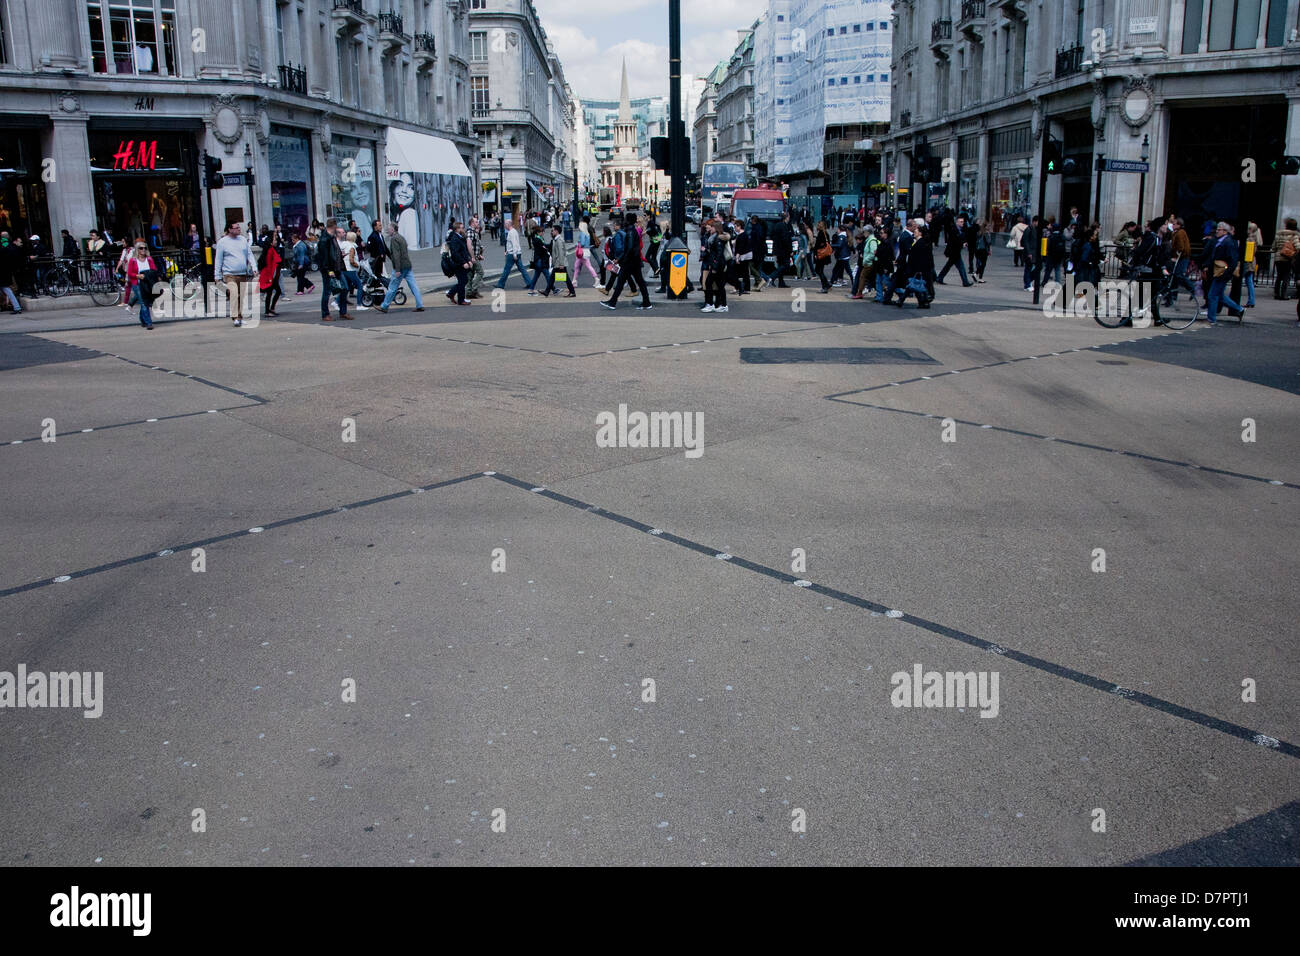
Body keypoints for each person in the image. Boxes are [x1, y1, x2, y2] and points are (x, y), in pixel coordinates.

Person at [601, 212, 651, 310]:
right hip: (633, 261)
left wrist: (620, 259)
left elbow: (629, 248)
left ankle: (613, 302)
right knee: (636, 282)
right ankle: (646, 302)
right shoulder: (631, 231)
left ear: (628, 221)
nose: (624, 221)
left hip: (630, 262)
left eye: (625, 219)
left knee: (628, 282)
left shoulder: (631, 232)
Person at [215, 222, 258, 327]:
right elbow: (218, 259)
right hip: (229, 273)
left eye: (239, 227)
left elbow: (249, 254)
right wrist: (217, 276)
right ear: (230, 229)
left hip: (242, 272)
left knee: (241, 296)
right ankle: (235, 317)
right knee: (233, 293)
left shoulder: (243, 240)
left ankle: (240, 316)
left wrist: (254, 267)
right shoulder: (222, 242)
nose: (239, 229)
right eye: (236, 227)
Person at [379, 220, 426, 312]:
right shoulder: (401, 238)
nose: (388, 230)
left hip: (400, 267)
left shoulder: (394, 239)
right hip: (407, 265)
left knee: (392, 286)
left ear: (393, 229)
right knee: (413, 286)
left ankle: (385, 305)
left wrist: (397, 269)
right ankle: (420, 304)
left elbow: (396, 255)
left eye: (389, 229)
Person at [1204, 220, 1243, 325]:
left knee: (1212, 295)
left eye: (1219, 229)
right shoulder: (1220, 241)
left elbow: (1233, 260)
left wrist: (1226, 273)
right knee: (1220, 295)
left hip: (1223, 272)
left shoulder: (1228, 242)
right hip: (1218, 271)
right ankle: (1239, 309)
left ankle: (1211, 318)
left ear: (1225, 231)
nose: (1217, 231)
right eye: (1217, 229)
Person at [315, 218, 350, 321]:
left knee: (345, 288)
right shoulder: (325, 239)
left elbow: (333, 252)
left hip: (337, 267)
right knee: (327, 291)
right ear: (334, 226)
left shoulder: (331, 237)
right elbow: (324, 257)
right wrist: (328, 270)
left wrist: (340, 255)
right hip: (329, 269)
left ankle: (343, 312)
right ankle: (325, 314)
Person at [126, 240, 158, 329]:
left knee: (146, 303)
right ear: (137, 250)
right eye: (141, 248)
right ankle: (149, 323)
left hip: (147, 284)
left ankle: (143, 319)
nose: (143, 250)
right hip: (138, 284)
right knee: (144, 303)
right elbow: (129, 273)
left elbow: (154, 270)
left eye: (145, 248)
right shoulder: (133, 260)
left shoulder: (149, 259)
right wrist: (137, 275)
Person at [936, 213, 973, 286]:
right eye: (961, 222)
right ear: (957, 222)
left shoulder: (960, 229)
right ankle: (965, 282)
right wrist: (962, 244)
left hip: (955, 252)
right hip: (953, 252)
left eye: (963, 221)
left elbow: (961, 238)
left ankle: (940, 278)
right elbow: (954, 241)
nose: (963, 223)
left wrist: (964, 242)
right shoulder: (953, 229)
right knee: (961, 267)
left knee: (948, 266)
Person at [442, 219, 472, 306]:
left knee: (463, 281)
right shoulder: (455, 239)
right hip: (458, 264)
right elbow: (455, 253)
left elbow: (464, 252)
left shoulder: (460, 237)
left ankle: (452, 293)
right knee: (463, 281)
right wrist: (463, 263)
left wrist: (468, 261)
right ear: (457, 229)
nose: (464, 229)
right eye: (462, 228)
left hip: (461, 263)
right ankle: (460, 299)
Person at [497, 219, 531, 290]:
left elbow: (514, 244)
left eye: (505, 224)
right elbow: (513, 244)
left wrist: (514, 254)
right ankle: (529, 283)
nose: (504, 225)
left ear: (508, 224)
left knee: (506, 269)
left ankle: (500, 284)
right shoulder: (514, 231)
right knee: (522, 269)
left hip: (512, 254)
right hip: (516, 253)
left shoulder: (511, 233)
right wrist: (507, 251)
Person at [340, 231, 369, 311]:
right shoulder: (351, 247)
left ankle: (337, 301)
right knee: (359, 285)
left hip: (343, 268)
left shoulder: (343, 246)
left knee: (346, 287)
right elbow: (351, 260)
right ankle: (359, 304)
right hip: (350, 269)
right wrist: (358, 265)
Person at [546, 223, 575, 297]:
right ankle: (547, 291)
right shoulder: (556, 240)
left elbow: (561, 253)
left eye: (552, 230)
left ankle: (572, 292)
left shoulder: (559, 240)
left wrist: (561, 264)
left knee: (565, 278)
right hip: (558, 263)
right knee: (553, 277)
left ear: (556, 231)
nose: (551, 232)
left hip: (559, 263)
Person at [1272, 217, 1298, 300]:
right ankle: (1283, 294)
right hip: (1288, 258)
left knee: (1279, 276)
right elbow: (1298, 247)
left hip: (1278, 257)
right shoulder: (1294, 235)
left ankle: (1276, 294)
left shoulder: (1279, 234)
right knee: (1286, 276)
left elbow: (1274, 247)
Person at [258, 239, 283, 316]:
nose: (276, 241)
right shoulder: (270, 250)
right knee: (271, 292)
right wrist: (270, 278)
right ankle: (268, 310)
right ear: (271, 242)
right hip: (269, 275)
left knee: (274, 292)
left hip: (271, 275)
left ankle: (270, 309)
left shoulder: (271, 249)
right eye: (275, 240)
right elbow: (269, 264)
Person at [0, 232, 23, 314]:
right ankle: (16, 307)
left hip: (2, 272)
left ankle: (16, 307)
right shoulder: (11, 246)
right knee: (8, 289)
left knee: (7, 290)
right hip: (8, 271)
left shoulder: (2, 246)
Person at [527, 224, 551, 296]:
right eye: (542, 231)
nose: (543, 233)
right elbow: (542, 248)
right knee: (547, 275)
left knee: (537, 276)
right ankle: (553, 288)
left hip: (539, 260)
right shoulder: (537, 240)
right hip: (539, 260)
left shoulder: (539, 239)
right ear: (538, 232)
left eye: (543, 231)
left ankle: (531, 290)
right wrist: (549, 246)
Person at [466, 215, 485, 299]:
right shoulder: (470, 231)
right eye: (476, 222)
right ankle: (474, 289)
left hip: (475, 256)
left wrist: (479, 255)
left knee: (470, 274)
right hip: (472, 258)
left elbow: (475, 245)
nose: (478, 223)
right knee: (480, 272)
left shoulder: (474, 232)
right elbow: (469, 244)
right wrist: (473, 257)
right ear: (472, 223)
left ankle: (469, 292)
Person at [574, 221, 598, 287]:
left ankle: (596, 279)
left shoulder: (582, 233)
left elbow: (582, 243)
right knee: (577, 266)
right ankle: (574, 281)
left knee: (584, 266)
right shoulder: (587, 234)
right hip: (586, 251)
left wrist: (577, 244)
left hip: (582, 252)